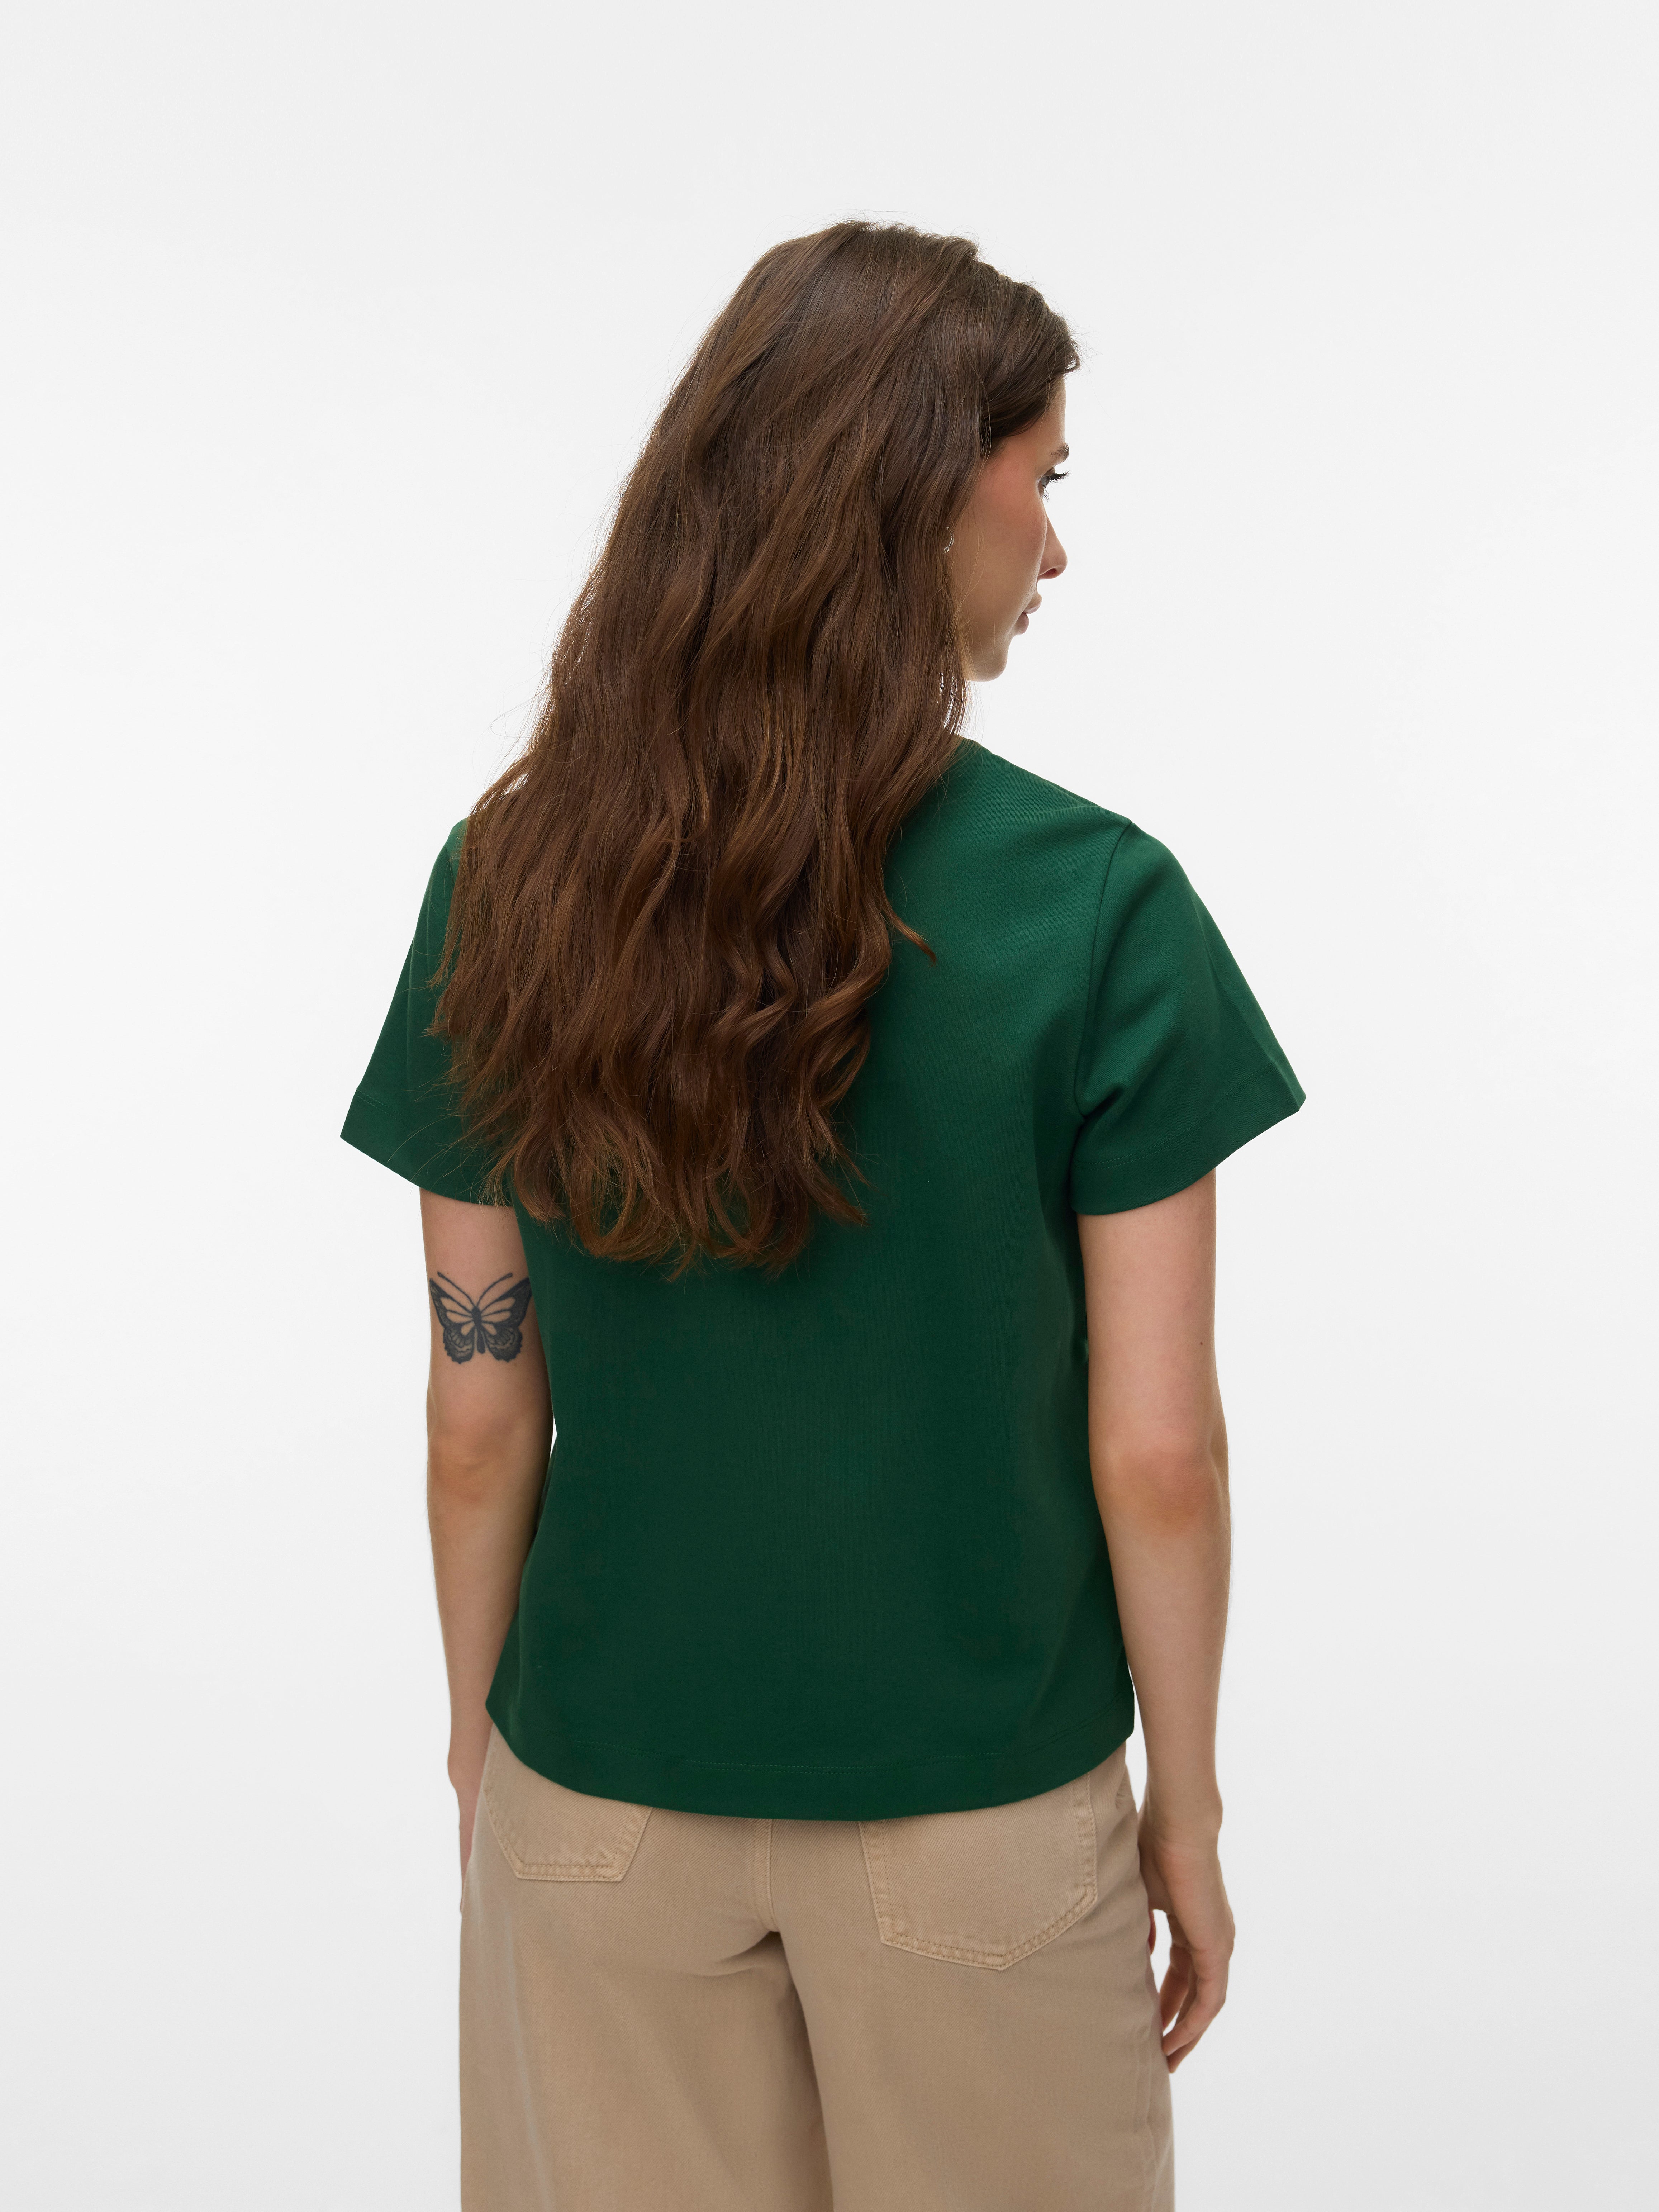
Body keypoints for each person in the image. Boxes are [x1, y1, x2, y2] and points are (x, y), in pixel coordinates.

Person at [342, 220, 1303, 2212]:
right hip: (980, 1819)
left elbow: (477, 1406)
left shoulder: (508, 882)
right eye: (1041, 480)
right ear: (920, 495)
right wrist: (1189, 1817)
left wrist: (483, 1750)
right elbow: (1158, 1453)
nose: (1055, 550)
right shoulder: (1097, 906)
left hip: (597, 1800)